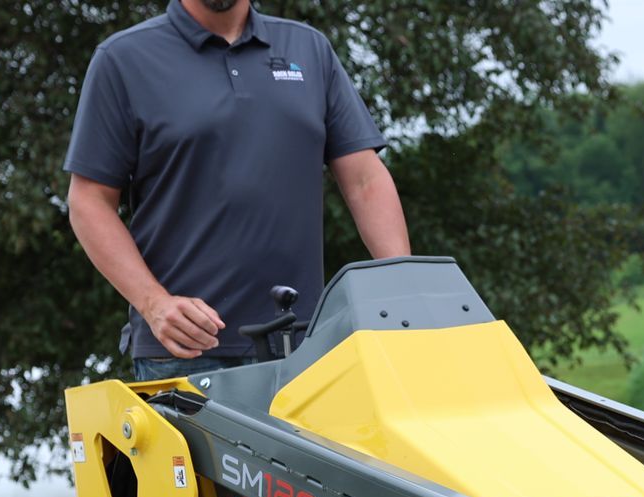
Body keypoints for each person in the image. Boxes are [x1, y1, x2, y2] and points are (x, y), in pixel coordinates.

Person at [63, 0, 411, 381]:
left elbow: (365, 180)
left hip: (307, 347)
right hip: (188, 352)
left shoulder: (309, 49)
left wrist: (400, 290)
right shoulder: (123, 59)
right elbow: (88, 201)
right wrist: (154, 303)